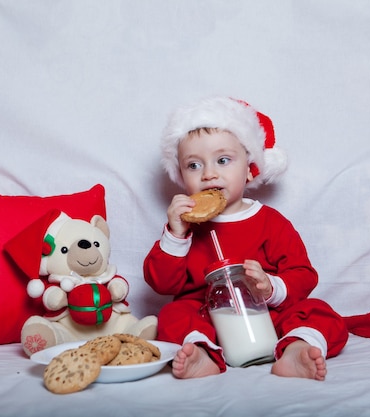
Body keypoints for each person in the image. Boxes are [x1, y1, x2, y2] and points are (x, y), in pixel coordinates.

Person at [143, 96, 348, 380]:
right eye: (193, 165)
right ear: (180, 173)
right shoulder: (185, 226)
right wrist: (175, 234)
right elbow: (162, 283)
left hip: (267, 315)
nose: (209, 174)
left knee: (320, 311)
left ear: (249, 168)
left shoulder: (270, 222)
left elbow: (303, 274)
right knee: (172, 314)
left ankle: (296, 350)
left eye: (223, 160)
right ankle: (201, 353)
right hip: (206, 319)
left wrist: (270, 288)